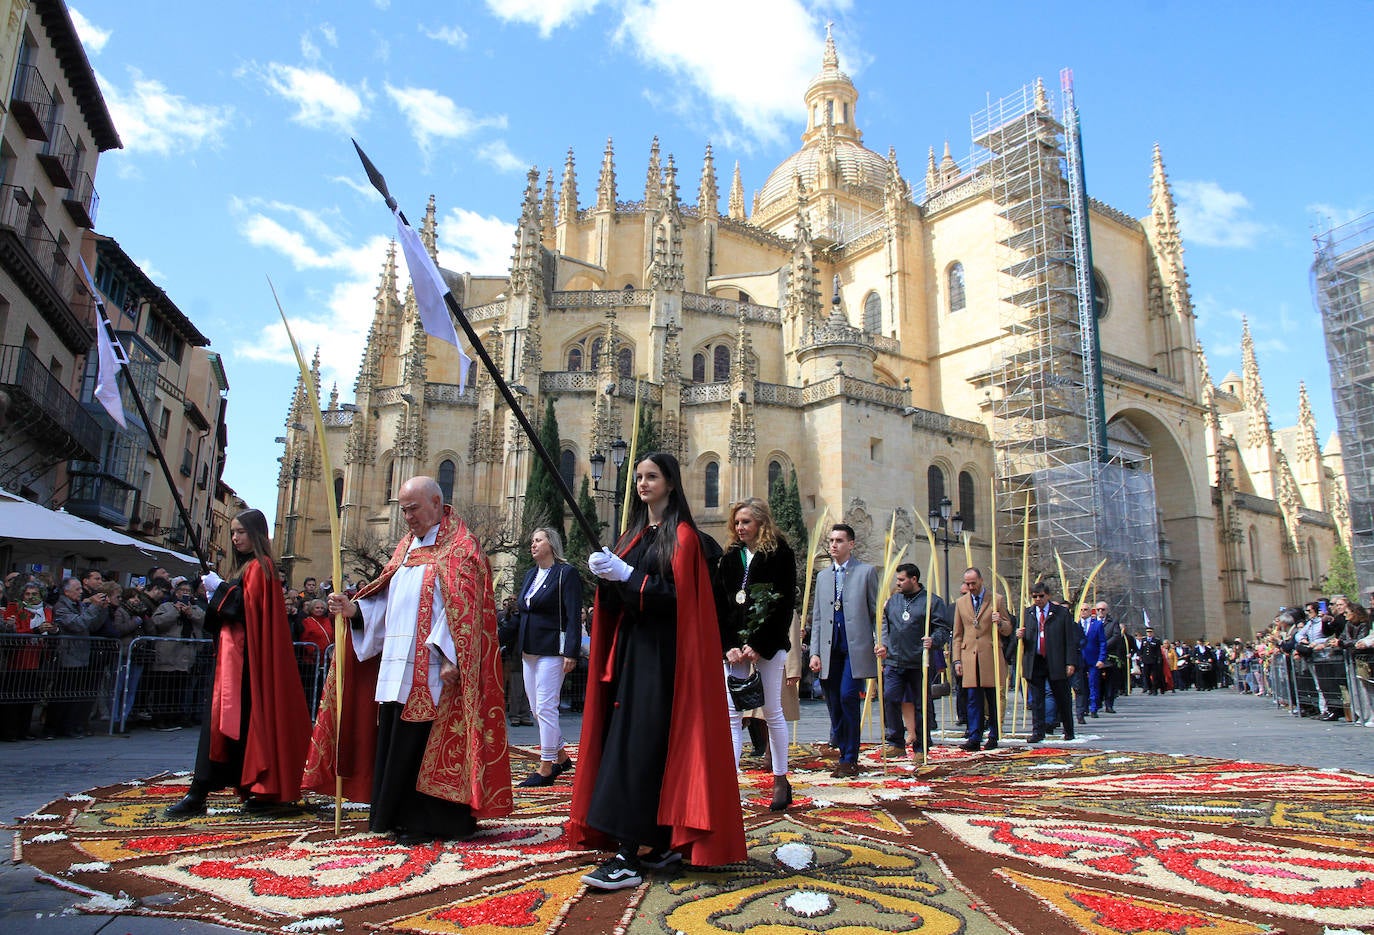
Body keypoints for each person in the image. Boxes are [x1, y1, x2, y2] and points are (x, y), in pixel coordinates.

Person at [305, 476, 512, 844]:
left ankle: (431, 820)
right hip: (396, 663)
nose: (407, 517)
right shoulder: (405, 548)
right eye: (403, 510)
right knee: (395, 740)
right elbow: (386, 601)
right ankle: (393, 814)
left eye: (413, 508)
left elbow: (464, 610)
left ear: (436, 503)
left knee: (423, 743)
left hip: (434, 669)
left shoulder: (461, 547)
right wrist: (355, 610)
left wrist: (451, 656)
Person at [571, 452, 744, 891]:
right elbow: (620, 602)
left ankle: (628, 854)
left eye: (652, 477)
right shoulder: (632, 535)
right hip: (630, 654)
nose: (643, 484)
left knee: (642, 747)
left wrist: (628, 575)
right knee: (630, 743)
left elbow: (677, 601)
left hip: (667, 660)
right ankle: (656, 840)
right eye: (639, 477)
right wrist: (606, 581)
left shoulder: (685, 538)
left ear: (670, 483)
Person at [164, 509, 312, 818]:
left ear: (256, 534)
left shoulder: (261, 567)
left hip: (246, 662)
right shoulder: (250, 568)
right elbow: (237, 609)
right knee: (223, 724)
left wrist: (219, 589)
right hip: (237, 659)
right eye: (232, 532)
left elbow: (245, 610)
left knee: (226, 722)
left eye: (241, 532)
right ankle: (208, 788)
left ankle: (203, 791)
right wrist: (219, 590)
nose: (235, 538)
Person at [715, 497, 797, 809]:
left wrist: (760, 643)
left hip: (768, 644)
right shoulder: (731, 557)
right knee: (732, 714)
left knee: (772, 710)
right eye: (736, 522)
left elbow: (783, 602)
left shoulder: (779, 552)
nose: (740, 527)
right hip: (735, 648)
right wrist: (729, 645)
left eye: (746, 522)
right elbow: (722, 604)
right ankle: (729, 780)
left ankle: (780, 779)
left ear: (761, 522)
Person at [513, 526, 583, 787]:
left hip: (553, 650)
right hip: (528, 649)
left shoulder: (566, 573)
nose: (533, 544)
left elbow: (573, 614)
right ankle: (562, 757)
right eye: (532, 540)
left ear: (551, 544)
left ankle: (546, 767)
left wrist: (571, 651)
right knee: (536, 708)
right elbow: (523, 611)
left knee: (545, 706)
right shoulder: (531, 574)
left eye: (538, 540)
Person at [808, 524, 879, 778]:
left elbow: (875, 612)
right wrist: (814, 652)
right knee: (833, 700)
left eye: (839, 540)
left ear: (851, 544)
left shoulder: (866, 572)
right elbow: (817, 617)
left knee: (849, 696)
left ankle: (849, 757)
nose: (833, 545)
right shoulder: (824, 576)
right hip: (829, 649)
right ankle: (841, 741)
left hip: (854, 648)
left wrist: (880, 640)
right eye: (831, 540)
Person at [875, 563, 949, 760]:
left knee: (919, 705)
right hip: (894, 661)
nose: (898, 583)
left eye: (901, 580)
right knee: (890, 698)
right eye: (897, 580)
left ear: (913, 579)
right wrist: (883, 645)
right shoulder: (893, 601)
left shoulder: (932, 601)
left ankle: (920, 746)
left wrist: (934, 640)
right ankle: (895, 742)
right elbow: (886, 627)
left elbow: (942, 629)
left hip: (918, 662)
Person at [950, 567, 1012, 752]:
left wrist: (1000, 622)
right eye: (967, 584)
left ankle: (993, 734)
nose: (970, 587)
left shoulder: (996, 600)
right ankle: (975, 736)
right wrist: (957, 660)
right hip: (969, 656)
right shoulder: (961, 603)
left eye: (973, 583)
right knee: (972, 699)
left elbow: (1008, 628)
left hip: (990, 655)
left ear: (981, 581)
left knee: (992, 699)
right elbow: (958, 634)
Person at [1015, 581, 1078, 743]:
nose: (1038, 599)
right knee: (1037, 700)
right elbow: (1020, 640)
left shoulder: (1061, 613)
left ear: (1048, 596)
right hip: (1035, 661)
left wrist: (1070, 662)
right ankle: (1038, 731)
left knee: (1062, 697)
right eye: (1034, 596)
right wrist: (1019, 635)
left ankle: (1068, 730)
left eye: (1041, 596)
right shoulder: (1027, 614)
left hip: (1055, 660)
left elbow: (1069, 639)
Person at [1, 581, 55, 740]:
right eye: (28, 594)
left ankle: (24, 729)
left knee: (30, 697)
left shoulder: (47, 610)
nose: (31, 597)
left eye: (35, 594)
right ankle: (9, 731)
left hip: (38, 657)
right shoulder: (15, 608)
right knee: (14, 697)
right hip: (18, 658)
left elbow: (52, 627)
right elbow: (16, 631)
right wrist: (36, 630)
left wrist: (53, 630)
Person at [1097, 601, 1124, 712]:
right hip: (1096, 656)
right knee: (1096, 681)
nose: (1100, 611)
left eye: (1103, 609)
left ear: (1107, 610)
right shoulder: (1093, 621)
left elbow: (1116, 636)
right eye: (1098, 609)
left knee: (1110, 682)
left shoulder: (1113, 622)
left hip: (1109, 656)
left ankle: (1109, 704)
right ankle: (1096, 703)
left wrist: (1103, 645)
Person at [1138, 626, 1163, 694]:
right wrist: (1140, 656)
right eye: (1148, 632)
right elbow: (1141, 649)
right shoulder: (1144, 640)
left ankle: (1154, 689)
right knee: (1146, 675)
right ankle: (1150, 688)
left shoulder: (1156, 640)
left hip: (1153, 660)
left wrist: (1159, 658)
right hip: (1146, 660)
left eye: (1150, 632)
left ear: (1152, 633)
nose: (1149, 633)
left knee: (1154, 676)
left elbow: (1158, 651)